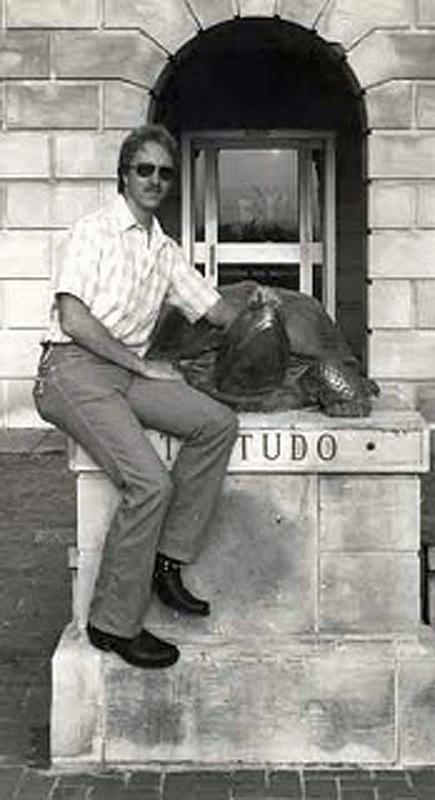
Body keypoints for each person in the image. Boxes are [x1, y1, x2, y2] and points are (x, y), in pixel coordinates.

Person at [33, 124, 240, 669]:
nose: (154, 180)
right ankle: (113, 625)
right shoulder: (92, 232)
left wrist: (270, 309)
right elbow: (74, 320)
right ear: (124, 175)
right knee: (149, 482)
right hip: (71, 371)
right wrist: (141, 365)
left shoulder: (163, 250)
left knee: (216, 423)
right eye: (144, 170)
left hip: (123, 374)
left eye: (164, 173)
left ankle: (168, 561)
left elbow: (215, 310)